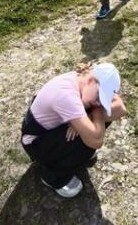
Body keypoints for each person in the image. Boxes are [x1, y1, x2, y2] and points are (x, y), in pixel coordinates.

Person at [21, 62, 126, 198]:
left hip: (53, 129)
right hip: (36, 142)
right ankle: (52, 176)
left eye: (102, 99)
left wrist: (91, 114)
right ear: (91, 80)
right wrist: (98, 111)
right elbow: (96, 141)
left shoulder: (83, 81)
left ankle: (74, 153)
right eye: (99, 96)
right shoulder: (66, 95)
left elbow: (121, 108)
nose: (98, 102)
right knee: (89, 134)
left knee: (101, 117)